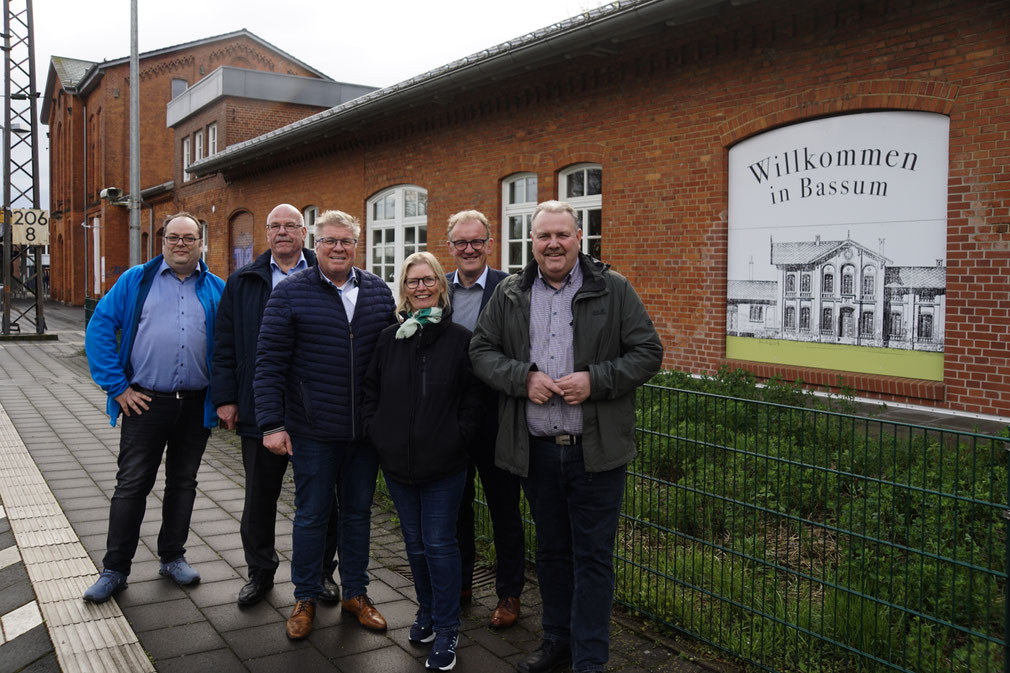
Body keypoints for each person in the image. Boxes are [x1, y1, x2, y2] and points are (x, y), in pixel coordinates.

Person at [470, 201, 663, 673]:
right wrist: (522, 378)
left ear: (580, 237)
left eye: (562, 234)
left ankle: (590, 658)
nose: (552, 244)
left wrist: (596, 380)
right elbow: (481, 350)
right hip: (535, 450)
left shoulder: (612, 289)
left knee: (593, 558)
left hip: (595, 453)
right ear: (531, 242)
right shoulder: (512, 293)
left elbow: (648, 351)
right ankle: (557, 640)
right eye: (543, 236)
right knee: (552, 553)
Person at [254, 209, 395, 640]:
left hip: (363, 434)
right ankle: (306, 598)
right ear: (316, 246)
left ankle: (356, 593)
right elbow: (269, 362)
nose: (338, 248)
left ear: (358, 245)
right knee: (311, 516)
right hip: (312, 430)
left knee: (356, 514)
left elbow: (391, 356)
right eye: (330, 241)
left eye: (346, 241)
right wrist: (272, 423)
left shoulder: (376, 292)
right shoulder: (292, 293)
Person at [82, 213, 225, 603]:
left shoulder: (215, 288)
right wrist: (118, 388)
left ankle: (172, 557)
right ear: (162, 241)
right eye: (173, 237)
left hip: (195, 405)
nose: (181, 244)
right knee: (131, 486)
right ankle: (115, 569)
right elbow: (99, 328)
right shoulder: (136, 281)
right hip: (144, 403)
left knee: (183, 484)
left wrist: (227, 399)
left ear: (201, 243)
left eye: (189, 238)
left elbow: (229, 349)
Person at [212, 203, 340, 607]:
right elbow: (224, 343)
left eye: (291, 226)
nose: (283, 232)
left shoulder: (327, 276)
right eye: (275, 226)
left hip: (315, 408)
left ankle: (322, 573)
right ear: (267, 234)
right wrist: (227, 399)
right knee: (259, 497)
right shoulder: (244, 281)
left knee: (321, 499)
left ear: (305, 233)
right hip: (259, 407)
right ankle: (260, 572)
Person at [363, 251, 483, 671]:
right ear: (403, 289)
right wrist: (379, 432)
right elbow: (370, 393)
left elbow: (473, 402)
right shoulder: (387, 339)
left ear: (440, 285)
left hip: (445, 466)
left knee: (438, 543)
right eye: (412, 281)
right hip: (398, 464)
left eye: (428, 279)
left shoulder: (460, 340)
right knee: (413, 545)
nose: (420, 287)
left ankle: (448, 627)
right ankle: (427, 612)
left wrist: (456, 439)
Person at [445, 209, 525, 628]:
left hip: (499, 416)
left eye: (477, 241)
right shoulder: (440, 291)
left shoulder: (511, 289)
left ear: (490, 244)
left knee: (504, 508)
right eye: (461, 242)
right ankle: (459, 585)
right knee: (455, 506)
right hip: (453, 418)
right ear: (451, 247)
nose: (470, 249)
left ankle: (509, 594)